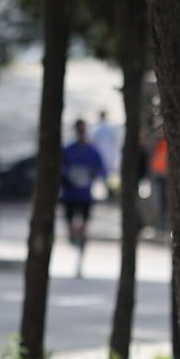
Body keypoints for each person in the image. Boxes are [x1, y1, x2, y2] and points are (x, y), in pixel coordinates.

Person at [60, 118, 106, 278]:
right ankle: (74, 236)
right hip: (70, 194)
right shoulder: (69, 150)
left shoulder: (91, 151)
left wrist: (92, 177)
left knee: (84, 224)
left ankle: (81, 241)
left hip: (84, 195)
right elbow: (60, 168)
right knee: (71, 222)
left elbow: (101, 169)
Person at [90, 110, 121, 193]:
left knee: (104, 176)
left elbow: (93, 142)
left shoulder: (98, 129)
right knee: (107, 176)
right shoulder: (108, 129)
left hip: (103, 157)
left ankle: (108, 192)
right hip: (106, 157)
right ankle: (109, 192)